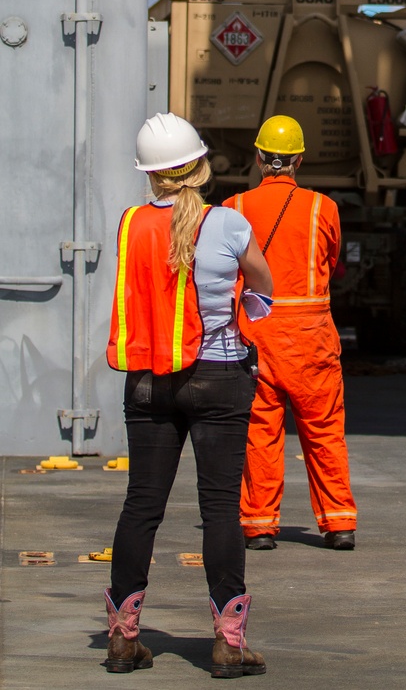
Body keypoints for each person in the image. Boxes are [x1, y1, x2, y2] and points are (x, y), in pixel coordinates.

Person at [104, 111, 273, 677]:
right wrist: (246, 305)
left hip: (149, 379)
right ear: (200, 166)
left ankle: (124, 638)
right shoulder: (225, 223)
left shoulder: (129, 223)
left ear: (150, 175)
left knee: (141, 506)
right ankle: (228, 642)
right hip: (219, 378)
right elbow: (263, 284)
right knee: (221, 507)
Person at [224, 115, 358, 551]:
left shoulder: (234, 208)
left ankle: (259, 525)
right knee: (323, 429)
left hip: (257, 334)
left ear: (259, 157)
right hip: (311, 336)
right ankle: (339, 524)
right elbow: (334, 262)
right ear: (299, 159)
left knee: (261, 430)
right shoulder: (324, 208)